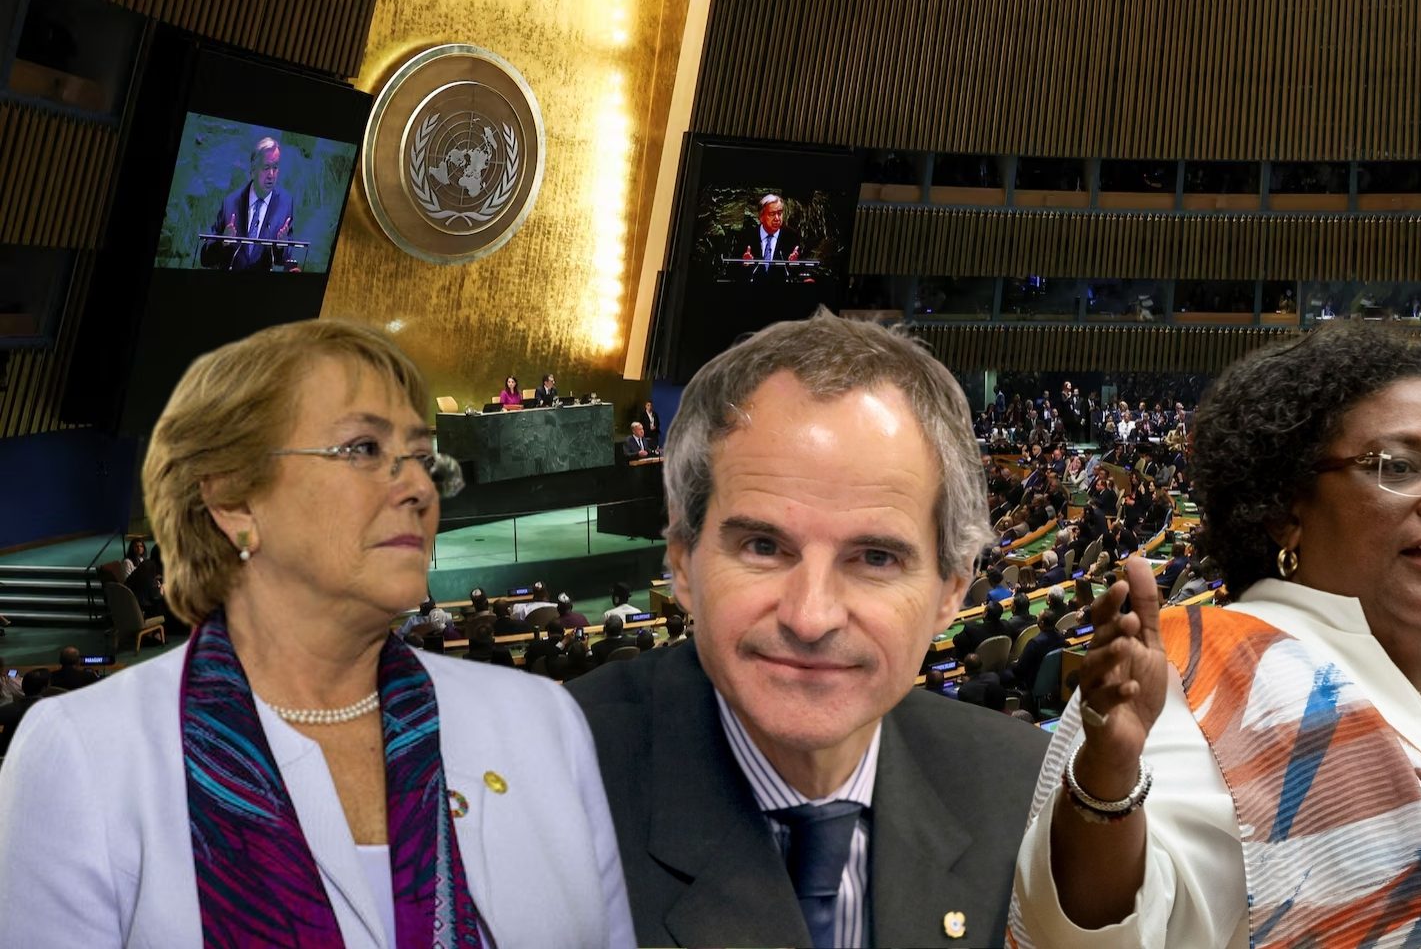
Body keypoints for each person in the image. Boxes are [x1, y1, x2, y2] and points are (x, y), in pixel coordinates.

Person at [0, 318, 633, 947]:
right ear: (235, 502)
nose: (418, 486)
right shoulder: (85, 757)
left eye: (421, 455)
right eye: (364, 449)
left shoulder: (545, 722)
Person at [1011, 322, 1421, 948]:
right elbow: (1111, 930)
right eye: (1399, 465)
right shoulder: (1212, 670)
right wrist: (1105, 790)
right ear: (1283, 511)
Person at [568, 309, 1049, 948]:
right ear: (683, 561)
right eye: (764, 546)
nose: (811, 616)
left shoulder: (1025, 792)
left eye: (875, 558)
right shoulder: (543, 796)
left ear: (950, 590)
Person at [199, 136, 295, 272]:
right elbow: (205, 258)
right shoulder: (230, 203)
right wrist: (223, 242)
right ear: (253, 171)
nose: (271, 175)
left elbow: (285, 259)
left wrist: (281, 245)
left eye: (275, 167)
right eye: (266, 167)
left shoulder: (285, 205)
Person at [736, 193, 803, 281]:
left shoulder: (791, 236)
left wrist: (793, 265)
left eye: (780, 213)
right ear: (761, 217)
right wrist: (745, 264)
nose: (777, 218)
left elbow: (800, 273)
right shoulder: (747, 236)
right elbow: (733, 271)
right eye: (772, 214)